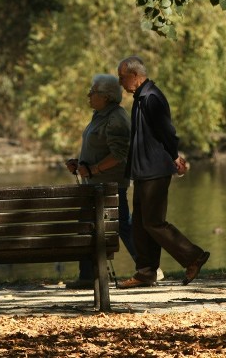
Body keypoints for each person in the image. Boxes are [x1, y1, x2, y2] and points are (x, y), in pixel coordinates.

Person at [116, 55, 209, 289]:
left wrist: (174, 155)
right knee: (140, 223)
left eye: (122, 77)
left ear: (135, 76)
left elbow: (167, 131)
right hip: (142, 170)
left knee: (154, 221)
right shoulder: (141, 97)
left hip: (154, 170)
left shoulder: (151, 98)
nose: (120, 82)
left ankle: (193, 256)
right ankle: (146, 272)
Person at [64, 74, 138, 289]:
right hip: (95, 184)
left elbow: (119, 155)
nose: (89, 95)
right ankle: (87, 275)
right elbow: (99, 148)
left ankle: (148, 268)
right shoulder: (100, 115)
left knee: (122, 225)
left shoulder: (116, 118)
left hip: (109, 185)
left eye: (93, 92)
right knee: (90, 227)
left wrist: (93, 169)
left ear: (106, 96)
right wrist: (80, 164)